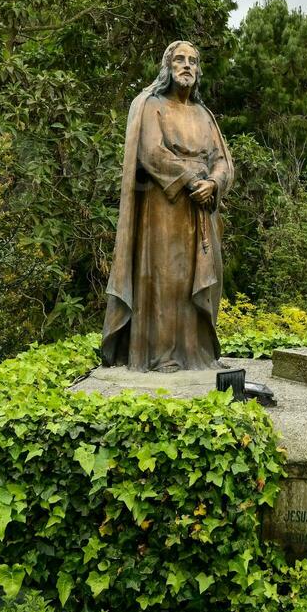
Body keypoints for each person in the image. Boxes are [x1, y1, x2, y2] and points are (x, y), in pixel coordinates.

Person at [102, 41, 233, 372]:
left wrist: (214, 183)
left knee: (204, 278)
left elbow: (222, 161)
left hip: (203, 212)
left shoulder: (205, 115)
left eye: (193, 60)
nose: (187, 65)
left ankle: (198, 354)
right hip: (164, 208)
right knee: (166, 280)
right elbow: (151, 152)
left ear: (198, 70)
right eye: (179, 59)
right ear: (168, 67)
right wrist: (191, 178)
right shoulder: (152, 105)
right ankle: (162, 356)